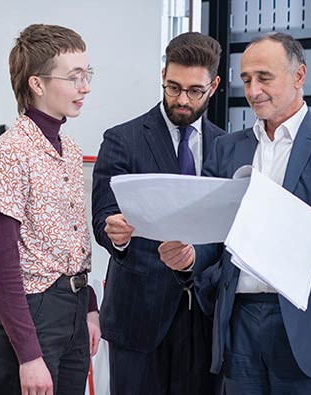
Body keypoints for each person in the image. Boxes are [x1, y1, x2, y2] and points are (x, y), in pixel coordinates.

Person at [159, 32, 311, 393]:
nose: (253, 90)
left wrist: (292, 223)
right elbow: (214, 235)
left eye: (264, 77)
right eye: (246, 79)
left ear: (298, 76)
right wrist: (189, 258)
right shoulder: (227, 148)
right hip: (239, 321)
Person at [91, 32, 225, 394]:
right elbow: (103, 214)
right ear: (163, 75)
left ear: (213, 85)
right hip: (138, 316)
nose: (182, 99)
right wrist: (114, 234)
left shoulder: (225, 146)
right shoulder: (122, 139)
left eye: (194, 90)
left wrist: (197, 258)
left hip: (204, 317)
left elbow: (230, 230)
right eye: (173, 87)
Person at [0, 24, 101, 395]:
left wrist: (90, 305)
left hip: (73, 308)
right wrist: (29, 356)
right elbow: (1, 265)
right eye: (74, 77)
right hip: (32, 315)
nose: (86, 87)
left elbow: (71, 237)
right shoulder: (10, 152)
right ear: (37, 83)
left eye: (87, 74)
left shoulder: (68, 147)